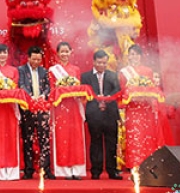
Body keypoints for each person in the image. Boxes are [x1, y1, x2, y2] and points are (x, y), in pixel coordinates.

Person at [81, 49, 123, 180]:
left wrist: (106, 99)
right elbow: (85, 92)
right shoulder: (86, 76)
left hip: (110, 113)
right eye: (99, 63)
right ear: (94, 62)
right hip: (94, 114)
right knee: (96, 142)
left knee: (112, 142)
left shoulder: (113, 75)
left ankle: (112, 170)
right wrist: (97, 101)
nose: (102, 65)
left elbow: (117, 90)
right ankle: (96, 170)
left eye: (104, 63)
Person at [120, 44, 163, 169]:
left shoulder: (148, 71)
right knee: (134, 136)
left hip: (146, 107)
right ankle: (134, 164)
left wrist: (143, 94)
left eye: (135, 54)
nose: (133, 57)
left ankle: (148, 163)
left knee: (147, 135)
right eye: (130, 54)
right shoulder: (124, 72)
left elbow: (151, 88)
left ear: (140, 56)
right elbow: (123, 90)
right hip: (132, 107)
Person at [49, 42, 86, 180]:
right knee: (62, 136)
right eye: (62, 52)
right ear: (58, 53)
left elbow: (79, 87)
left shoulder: (76, 69)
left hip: (74, 106)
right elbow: (52, 90)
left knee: (76, 136)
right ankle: (64, 170)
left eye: (67, 51)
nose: (64, 54)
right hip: (60, 107)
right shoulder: (53, 70)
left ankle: (77, 169)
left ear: (71, 52)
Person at [18, 45, 55, 180]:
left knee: (44, 139)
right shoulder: (21, 70)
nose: (36, 62)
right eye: (34, 59)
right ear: (28, 58)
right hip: (27, 109)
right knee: (27, 139)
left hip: (41, 108)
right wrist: (30, 96)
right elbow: (21, 85)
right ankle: (28, 170)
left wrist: (43, 95)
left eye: (39, 60)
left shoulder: (44, 71)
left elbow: (48, 87)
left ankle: (45, 169)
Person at [0, 43, 20, 181]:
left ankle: (11, 172)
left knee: (10, 136)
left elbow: (15, 88)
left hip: (10, 107)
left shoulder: (14, 70)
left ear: (8, 54)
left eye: (4, 52)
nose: (2, 55)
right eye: (0, 53)